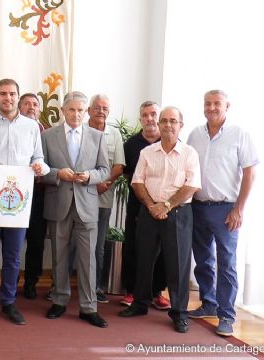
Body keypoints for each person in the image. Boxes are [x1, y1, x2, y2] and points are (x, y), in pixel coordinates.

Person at [0, 79, 50, 325]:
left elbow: (41, 159)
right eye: (3, 94)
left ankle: (8, 302)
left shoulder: (32, 127)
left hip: (20, 198)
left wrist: (39, 167)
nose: (8, 98)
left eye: (12, 94)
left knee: (14, 255)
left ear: (18, 97)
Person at [118, 106, 200, 334]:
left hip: (178, 213)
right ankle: (140, 303)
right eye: (164, 121)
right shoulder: (147, 152)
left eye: (173, 121)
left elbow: (191, 185)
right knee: (143, 259)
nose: (167, 125)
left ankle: (180, 314)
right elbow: (137, 182)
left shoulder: (189, 153)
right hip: (148, 211)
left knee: (178, 265)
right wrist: (152, 206)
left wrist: (166, 205)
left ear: (180, 125)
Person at [187, 90, 258, 337]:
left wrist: (239, 208)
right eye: (207, 103)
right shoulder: (195, 134)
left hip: (226, 209)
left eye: (217, 103)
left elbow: (250, 173)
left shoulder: (240, 134)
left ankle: (226, 315)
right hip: (197, 206)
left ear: (228, 106)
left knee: (227, 263)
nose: (212, 107)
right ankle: (208, 303)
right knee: (203, 259)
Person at [40, 92, 110, 328]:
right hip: (58, 203)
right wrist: (57, 173)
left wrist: (90, 176)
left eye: (81, 110)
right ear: (63, 110)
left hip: (87, 206)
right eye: (72, 110)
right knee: (59, 256)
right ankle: (59, 301)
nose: (77, 114)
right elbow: (41, 169)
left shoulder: (97, 136)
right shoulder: (48, 136)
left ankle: (89, 307)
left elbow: (104, 170)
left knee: (87, 259)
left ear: (86, 112)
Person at [120, 101, 169, 309]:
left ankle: (157, 293)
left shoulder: (171, 142)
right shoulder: (130, 145)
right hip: (137, 204)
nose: (150, 118)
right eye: (145, 115)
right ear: (140, 119)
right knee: (133, 246)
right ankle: (131, 292)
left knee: (163, 250)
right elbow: (124, 173)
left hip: (165, 205)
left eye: (153, 114)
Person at [86, 94, 125, 304]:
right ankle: (61, 286)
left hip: (104, 195)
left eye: (105, 108)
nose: (101, 111)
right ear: (89, 110)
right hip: (81, 194)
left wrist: (104, 183)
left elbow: (118, 165)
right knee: (74, 243)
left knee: (98, 244)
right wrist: (92, 182)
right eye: (97, 107)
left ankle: (96, 287)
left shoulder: (115, 134)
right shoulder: (79, 130)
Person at [17, 93, 48, 299]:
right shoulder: (11, 129)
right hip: (14, 193)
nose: (31, 107)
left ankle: (31, 281)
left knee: (36, 240)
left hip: (39, 195)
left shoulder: (49, 133)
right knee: (12, 239)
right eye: (26, 104)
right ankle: (10, 280)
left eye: (35, 104)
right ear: (19, 108)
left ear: (40, 109)